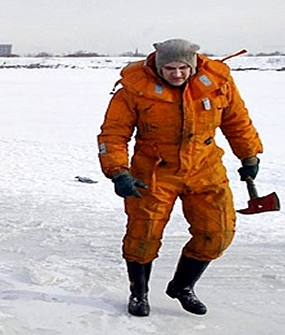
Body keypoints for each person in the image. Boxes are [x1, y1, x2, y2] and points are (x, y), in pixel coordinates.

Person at [97, 39, 263, 316]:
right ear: (158, 66)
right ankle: (139, 293)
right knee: (143, 235)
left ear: (194, 64)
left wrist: (249, 156)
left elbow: (238, 122)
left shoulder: (218, 83)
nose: (177, 74)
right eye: (170, 68)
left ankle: (182, 286)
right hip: (153, 171)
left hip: (205, 168)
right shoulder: (133, 90)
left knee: (217, 233)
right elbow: (113, 134)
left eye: (183, 68)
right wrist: (118, 171)